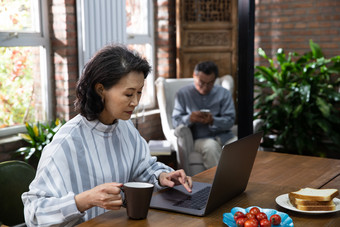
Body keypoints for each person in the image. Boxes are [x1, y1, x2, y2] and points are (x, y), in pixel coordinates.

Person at [22, 44, 192, 226]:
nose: (135, 102)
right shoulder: (67, 143)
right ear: (100, 90)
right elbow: (34, 212)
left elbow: (142, 168)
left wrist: (162, 176)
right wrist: (83, 201)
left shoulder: (125, 129)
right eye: (128, 94)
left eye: (139, 92)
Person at [172, 61, 236, 169]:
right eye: (201, 82)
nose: (205, 87)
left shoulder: (224, 93)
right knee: (211, 147)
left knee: (242, 146)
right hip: (200, 139)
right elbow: (175, 122)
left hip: (225, 136)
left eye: (210, 83)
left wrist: (213, 121)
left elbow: (230, 120)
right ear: (194, 76)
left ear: (215, 80)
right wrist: (189, 118)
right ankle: (217, 185)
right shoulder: (182, 94)